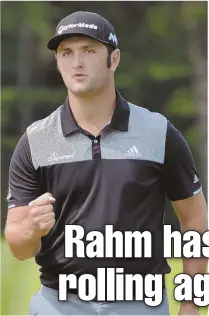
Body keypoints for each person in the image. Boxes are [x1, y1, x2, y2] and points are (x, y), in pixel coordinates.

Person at [5, 10, 208, 316]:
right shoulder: (35, 141)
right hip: (58, 305)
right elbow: (18, 246)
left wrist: (191, 307)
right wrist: (31, 229)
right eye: (66, 53)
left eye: (89, 51)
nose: (77, 63)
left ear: (114, 59)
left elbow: (196, 221)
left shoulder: (158, 133)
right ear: (57, 62)